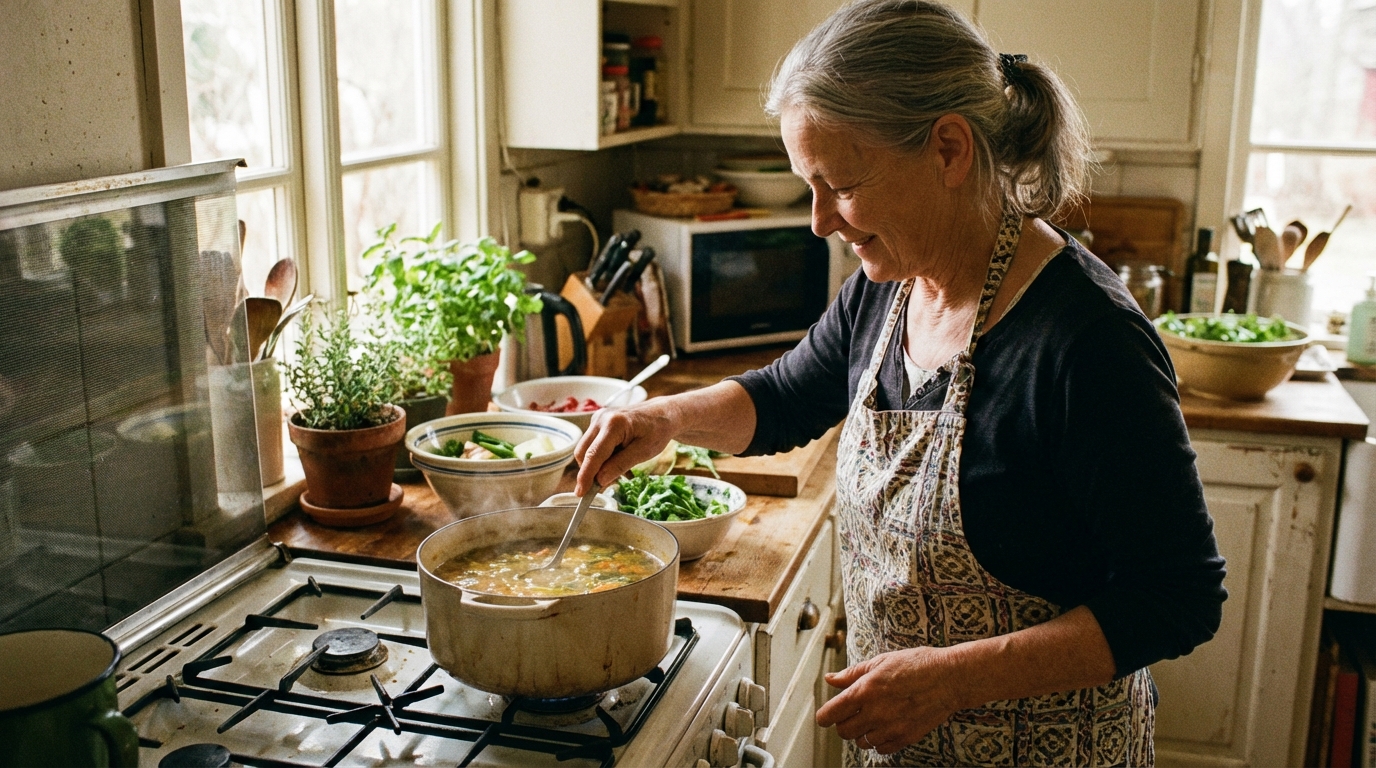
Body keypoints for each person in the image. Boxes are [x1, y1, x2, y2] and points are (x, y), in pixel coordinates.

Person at [574, 1, 1226, 765]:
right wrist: (663, 419)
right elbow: (787, 395)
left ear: (948, 148)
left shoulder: (1088, 343)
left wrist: (947, 680)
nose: (819, 221)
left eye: (839, 185)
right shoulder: (890, 284)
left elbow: (1178, 596)